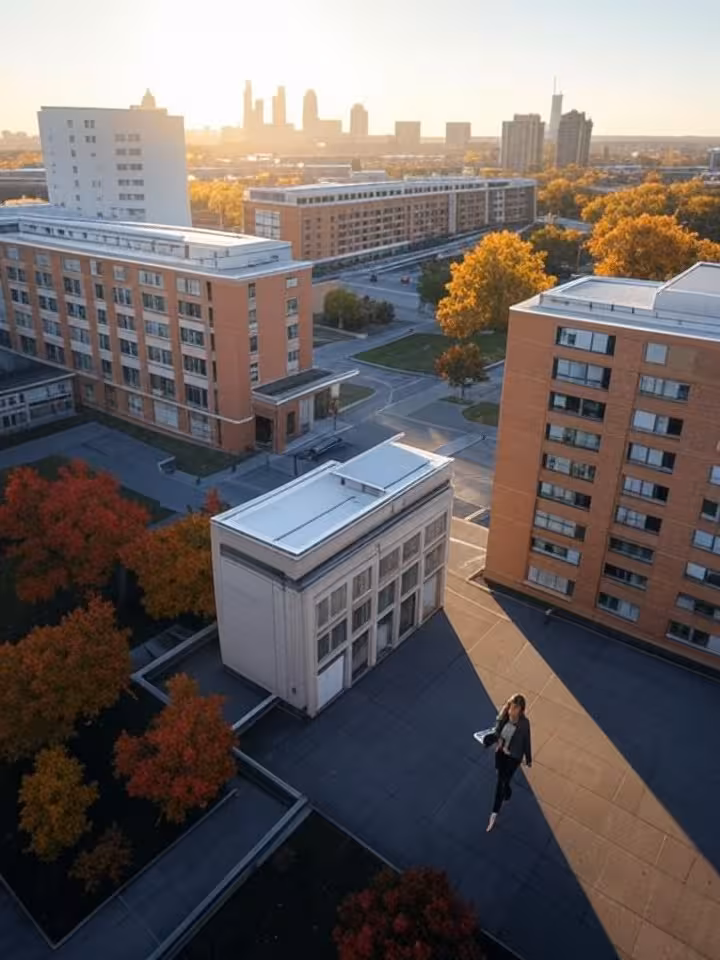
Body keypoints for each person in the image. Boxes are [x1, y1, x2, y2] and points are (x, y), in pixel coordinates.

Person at [487, 693, 532, 833]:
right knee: (501, 777)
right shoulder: (504, 717)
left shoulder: (524, 723)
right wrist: (497, 742)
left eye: (515, 709)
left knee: (500, 782)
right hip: (501, 753)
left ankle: (494, 814)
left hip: (514, 757)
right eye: (511, 707)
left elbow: (526, 741)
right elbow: (496, 733)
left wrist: (528, 758)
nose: (511, 711)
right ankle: (507, 790)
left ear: (521, 710)